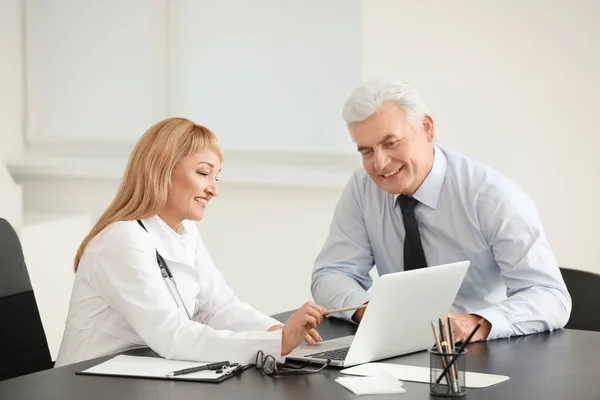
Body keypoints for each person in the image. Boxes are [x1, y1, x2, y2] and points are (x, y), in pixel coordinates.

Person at [311, 78, 571, 343]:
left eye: (391, 143)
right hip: (399, 346)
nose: (380, 163)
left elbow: (549, 295)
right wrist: (371, 312)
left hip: (486, 349)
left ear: (426, 128)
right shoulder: (363, 188)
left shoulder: (490, 196)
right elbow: (332, 274)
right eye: (366, 151)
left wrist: (477, 323)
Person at [55, 117, 325, 367]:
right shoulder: (122, 240)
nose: (213, 189)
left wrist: (277, 331)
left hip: (143, 371)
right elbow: (172, 335)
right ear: (161, 170)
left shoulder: (185, 231)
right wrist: (275, 344)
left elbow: (216, 305)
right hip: (92, 383)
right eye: (203, 173)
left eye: (216, 176)